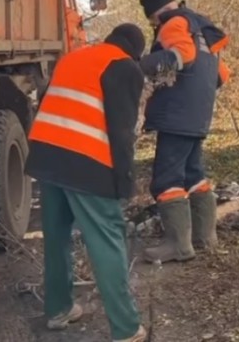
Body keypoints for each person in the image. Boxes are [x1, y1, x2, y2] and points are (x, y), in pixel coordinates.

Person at [25, 23, 149, 342]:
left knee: (56, 237)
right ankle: (125, 328)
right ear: (135, 51)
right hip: (86, 163)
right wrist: (124, 182)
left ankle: (58, 310)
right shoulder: (125, 68)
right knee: (107, 240)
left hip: (47, 156)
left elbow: (48, 99)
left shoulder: (73, 57)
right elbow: (122, 133)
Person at [138, 0, 231, 264]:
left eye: (152, 22)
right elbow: (222, 75)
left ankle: (178, 245)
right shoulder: (202, 25)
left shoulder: (173, 24)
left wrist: (140, 65)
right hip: (199, 114)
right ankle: (205, 238)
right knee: (193, 174)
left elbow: (183, 55)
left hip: (176, 116)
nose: (155, 27)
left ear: (154, 15)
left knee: (167, 178)